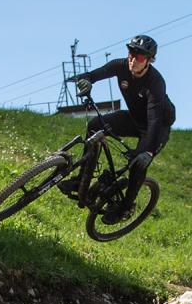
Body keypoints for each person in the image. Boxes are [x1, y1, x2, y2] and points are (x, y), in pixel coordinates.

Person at [65, 35, 176, 217]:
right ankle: (81, 180)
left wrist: (148, 151)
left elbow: (155, 119)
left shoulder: (156, 82)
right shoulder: (120, 66)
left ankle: (126, 207)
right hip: (134, 118)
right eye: (131, 53)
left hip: (156, 126)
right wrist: (86, 80)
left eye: (139, 57)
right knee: (95, 126)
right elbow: (93, 75)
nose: (133, 59)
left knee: (138, 163)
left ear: (149, 60)